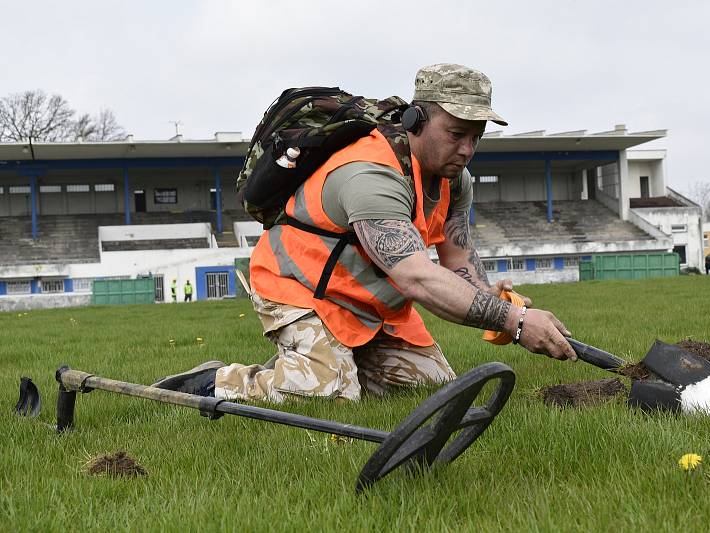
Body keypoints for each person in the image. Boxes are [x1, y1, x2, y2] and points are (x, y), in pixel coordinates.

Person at [153, 63, 577, 401]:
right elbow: (416, 276)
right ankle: (220, 381)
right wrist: (517, 322)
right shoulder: (370, 173)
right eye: (455, 134)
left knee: (430, 388)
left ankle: (315, 366)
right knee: (329, 395)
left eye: (476, 137)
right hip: (300, 290)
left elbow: (458, 260)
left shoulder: (455, 179)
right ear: (416, 120)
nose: (466, 150)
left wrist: (494, 303)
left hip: (371, 307)